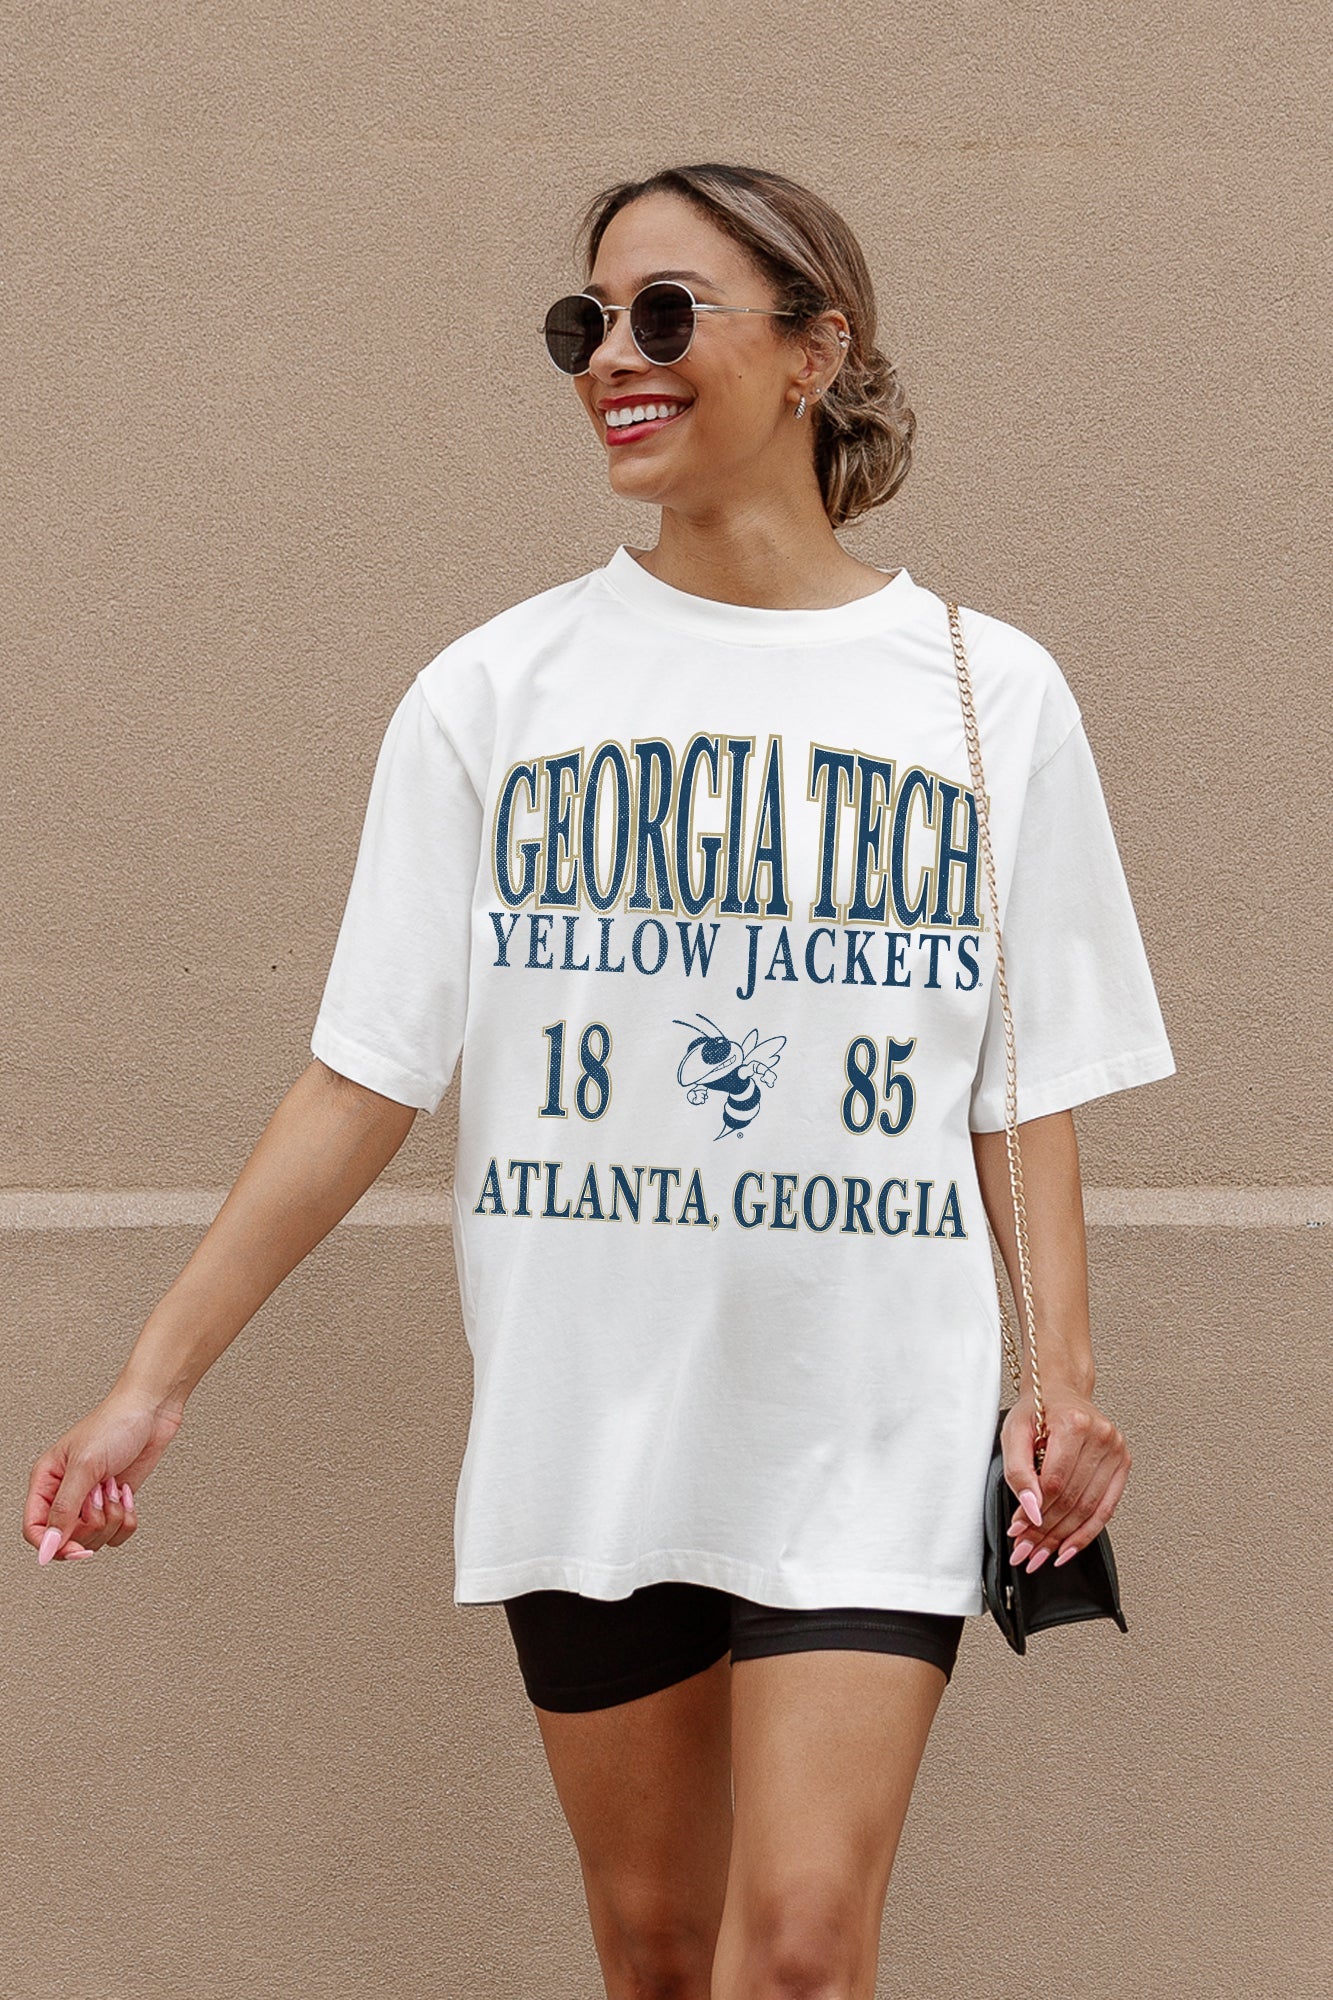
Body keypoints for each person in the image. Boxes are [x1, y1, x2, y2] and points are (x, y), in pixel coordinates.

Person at [24, 161, 1176, 1999]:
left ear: (816, 351)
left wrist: (1062, 1381)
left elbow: (1022, 1082)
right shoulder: (495, 694)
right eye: (585, 324)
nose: (611, 361)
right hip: (591, 1412)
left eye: (663, 315)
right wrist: (151, 1382)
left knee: (796, 1949)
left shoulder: (988, 693)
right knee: (653, 1953)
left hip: (870, 1407)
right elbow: (360, 1078)